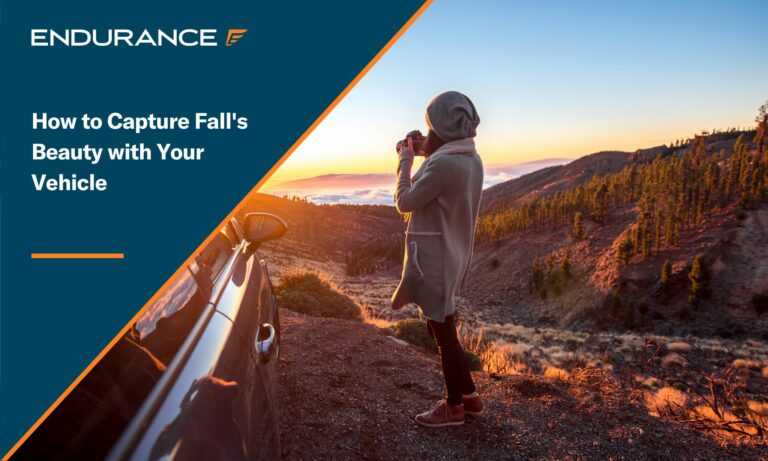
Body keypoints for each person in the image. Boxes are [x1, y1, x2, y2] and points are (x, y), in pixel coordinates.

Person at [391, 91, 484, 427]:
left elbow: (405, 201)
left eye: (431, 124)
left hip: (437, 259)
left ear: (442, 125)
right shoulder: (471, 158)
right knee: (440, 327)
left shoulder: (444, 164)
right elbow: (442, 179)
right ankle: (470, 396)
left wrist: (405, 160)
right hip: (453, 253)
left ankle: (454, 407)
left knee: (443, 333)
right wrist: (422, 150)